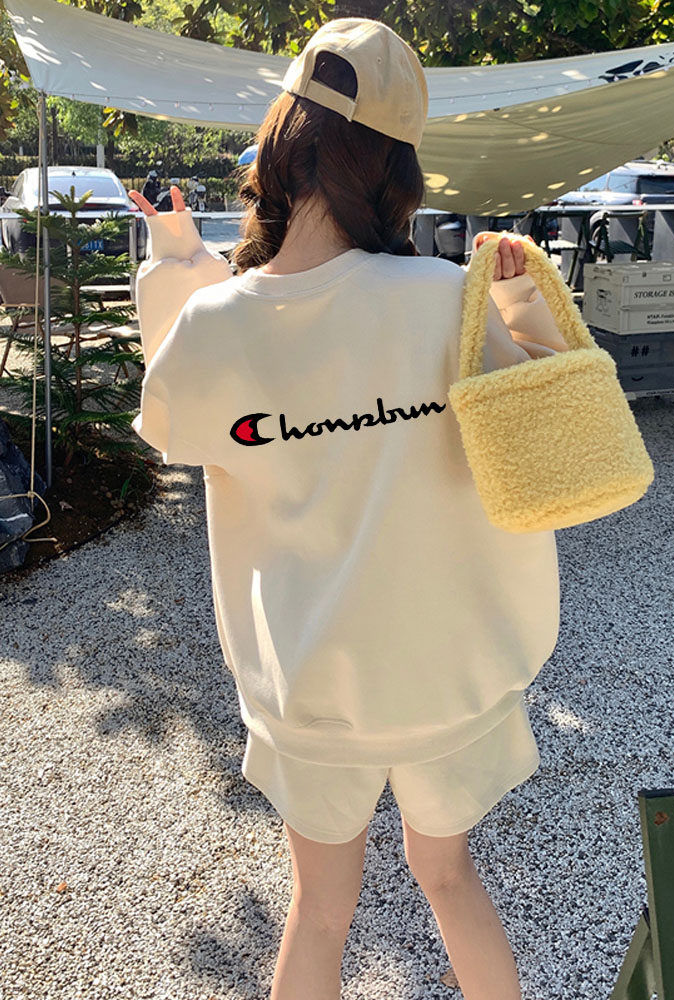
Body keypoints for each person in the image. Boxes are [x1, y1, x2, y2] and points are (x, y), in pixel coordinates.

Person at [127, 18, 569, 1000]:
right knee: (448, 876)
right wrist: (521, 305)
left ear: (282, 141)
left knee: (320, 910)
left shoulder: (218, 322)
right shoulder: (445, 301)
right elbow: (550, 430)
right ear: (398, 170)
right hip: (448, 672)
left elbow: (171, 419)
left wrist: (179, 264)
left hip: (309, 682)